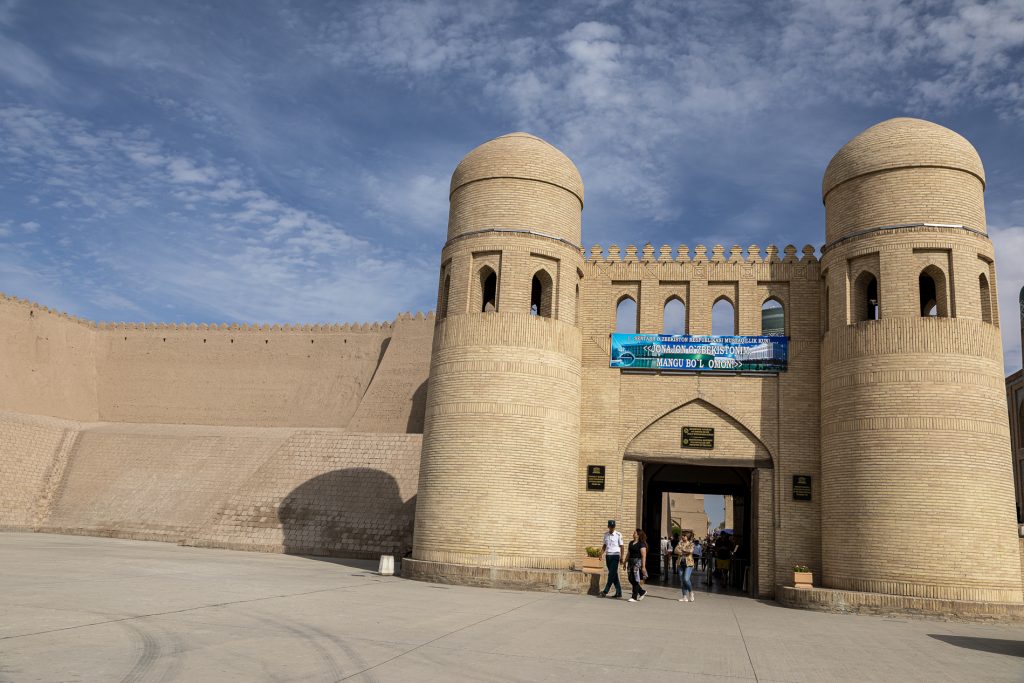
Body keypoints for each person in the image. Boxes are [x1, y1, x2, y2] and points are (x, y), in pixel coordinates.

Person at [599, 519, 623, 598]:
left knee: (611, 574)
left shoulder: (618, 534)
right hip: (608, 556)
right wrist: (601, 554)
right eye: (610, 527)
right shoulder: (606, 534)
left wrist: (622, 557)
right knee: (613, 574)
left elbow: (622, 546)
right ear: (608, 527)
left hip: (615, 556)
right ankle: (619, 592)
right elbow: (605, 545)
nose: (612, 528)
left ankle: (605, 591)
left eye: (613, 527)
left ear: (614, 527)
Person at [626, 529, 649, 602]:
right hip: (630, 562)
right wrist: (624, 562)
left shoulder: (641, 544)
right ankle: (642, 592)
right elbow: (628, 553)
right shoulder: (631, 543)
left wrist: (643, 567)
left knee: (635, 579)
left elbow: (643, 556)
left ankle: (634, 597)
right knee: (630, 578)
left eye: (635, 533)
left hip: (637, 562)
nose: (633, 534)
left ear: (638, 535)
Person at [675, 531, 696, 602]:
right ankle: (684, 597)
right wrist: (682, 551)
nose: (682, 537)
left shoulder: (691, 544)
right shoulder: (680, 543)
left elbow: (690, 551)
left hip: (689, 564)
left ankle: (691, 592)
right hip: (680, 563)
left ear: (687, 537)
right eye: (682, 536)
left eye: (684, 536)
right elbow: (675, 550)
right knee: (682, 580)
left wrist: (682, 549)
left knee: (686, 579)